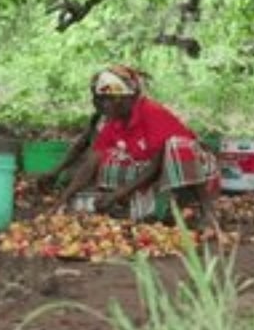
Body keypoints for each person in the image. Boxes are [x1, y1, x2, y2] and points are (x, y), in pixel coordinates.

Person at [55, 66, 219, 225]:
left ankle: (206, 210)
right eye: (103, 99)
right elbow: (92, 162)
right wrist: (64, 198)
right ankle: (158, 208)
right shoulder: (114, 122)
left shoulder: (151, 112)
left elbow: (155, 166)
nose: (105, 104)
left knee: (178, 146)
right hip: (159, 179)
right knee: (112, 158)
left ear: (129, 98)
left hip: (195, 172)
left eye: (111, 99)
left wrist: (118, 193)